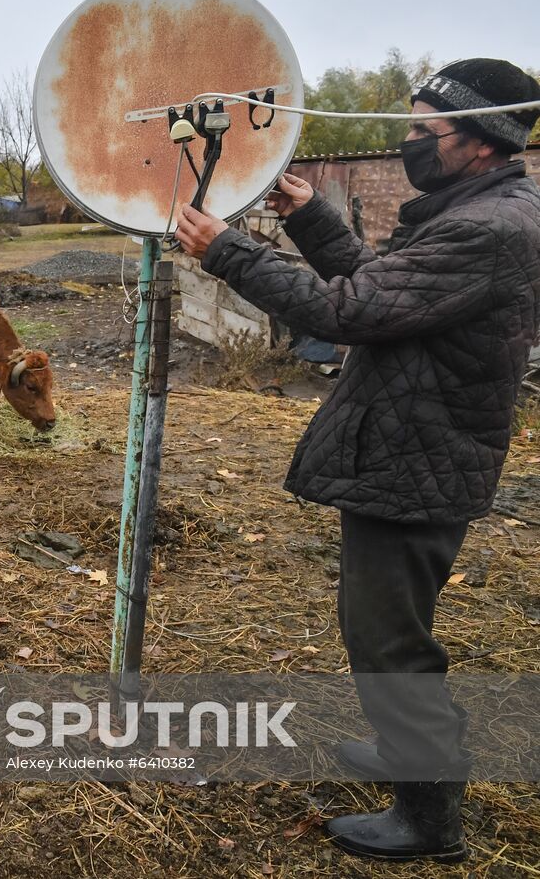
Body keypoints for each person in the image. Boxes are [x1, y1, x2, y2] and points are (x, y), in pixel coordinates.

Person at [174, 58, 540, 862]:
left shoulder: (488, 228)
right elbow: (385, 286)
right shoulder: (480, 207)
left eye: (423, 130)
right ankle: (405, 752)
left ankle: (430, 818)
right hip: (414, 449)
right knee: (380, 626)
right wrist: (312, 219)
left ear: (482, 142)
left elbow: (346, 311)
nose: (409, 142)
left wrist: (227, 251)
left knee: (389, 643)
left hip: (421, 461)